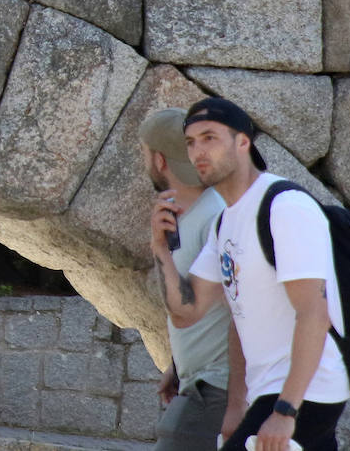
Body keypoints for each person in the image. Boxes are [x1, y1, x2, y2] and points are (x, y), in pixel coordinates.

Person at [150, 97, 349, 451]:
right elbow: (187, 313)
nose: (198, 151)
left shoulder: (284, 207)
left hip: (306, 395)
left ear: (243, 142)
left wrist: (286, 410)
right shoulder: (226, 223)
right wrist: (161, 251)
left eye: (210, 137)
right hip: (270, 394)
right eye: (190, 142)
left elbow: (314, 315)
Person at [139, 108, 235, 450]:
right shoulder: (192, 214)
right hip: (200, 383)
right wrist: (179, 367)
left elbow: (242, 308)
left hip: (220, 389)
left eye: (144, 153)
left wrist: (159, 249)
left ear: (160, 161)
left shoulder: (216, 219)